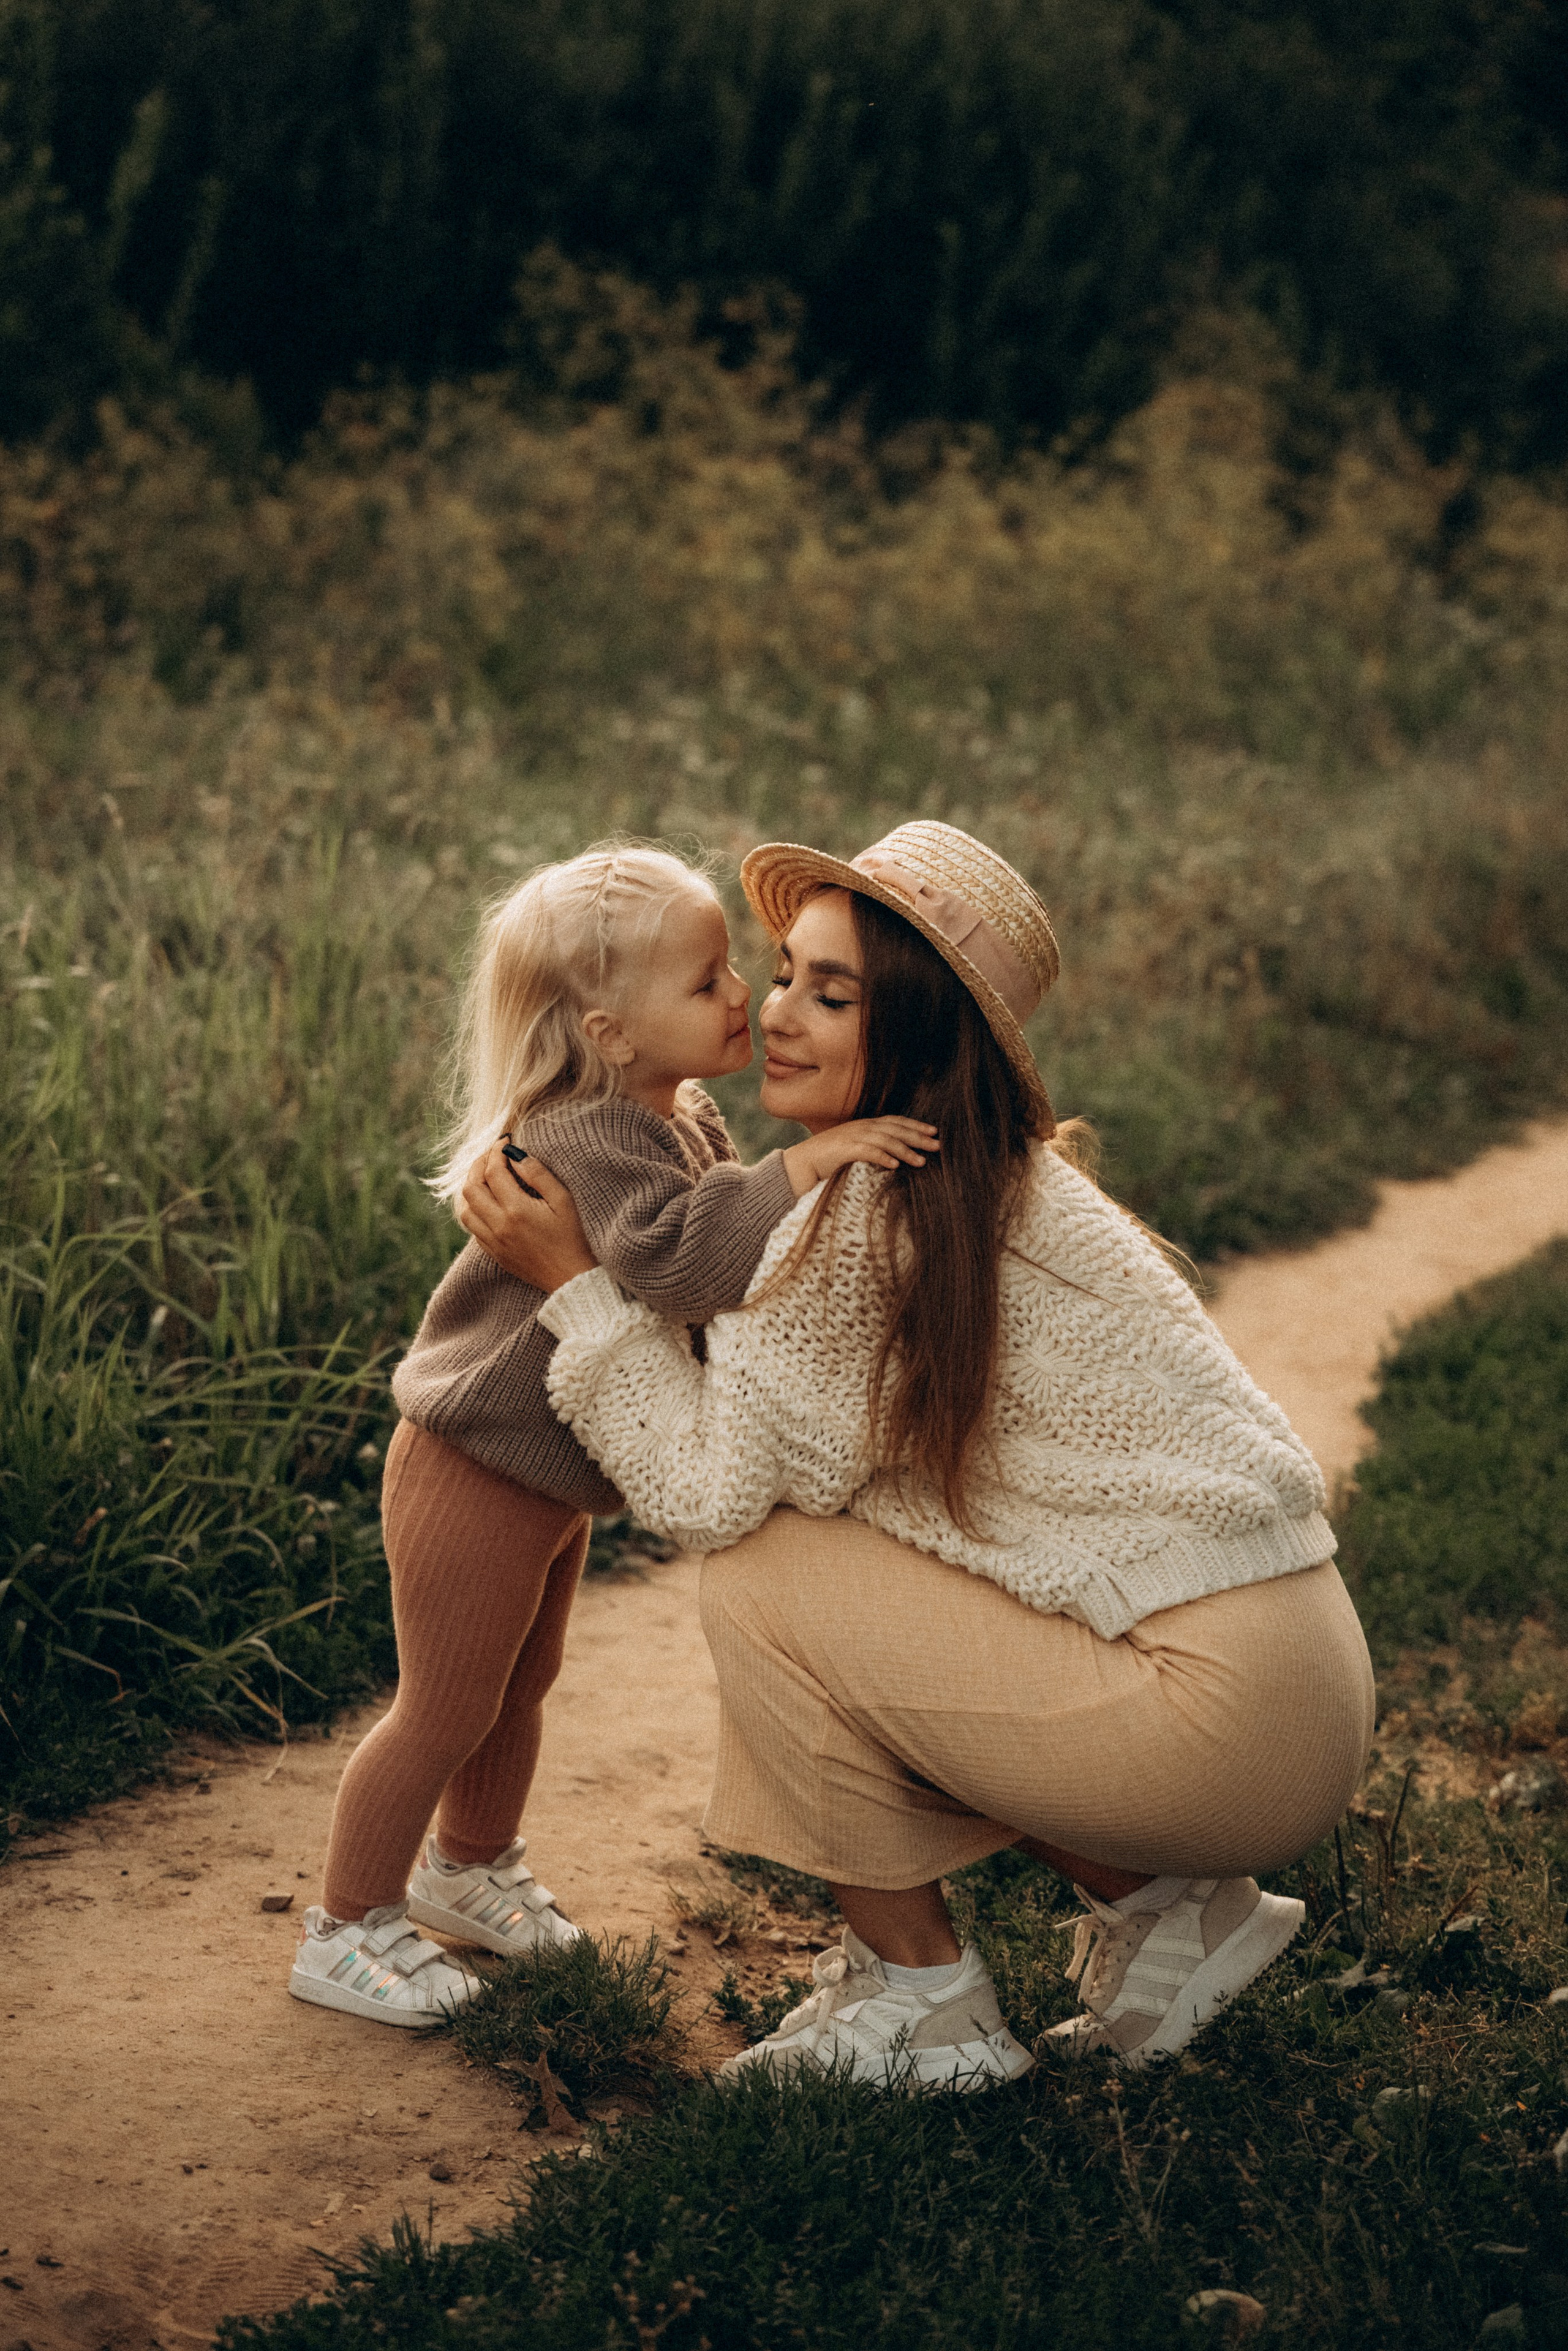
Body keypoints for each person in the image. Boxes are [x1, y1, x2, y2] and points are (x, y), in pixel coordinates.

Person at [457, 820, 1376, 2085]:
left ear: (923, 1034)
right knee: (859, 1555)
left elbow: (705, 1493)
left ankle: (921, 1999)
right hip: (1291, 1680)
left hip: (1211, 1711)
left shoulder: (862, 1215)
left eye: (832, 995)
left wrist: (574, 1288)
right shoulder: (1001, 1178)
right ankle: (1171, 1912)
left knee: (763, 1568)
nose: (777, 1012)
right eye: (781, 972)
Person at [290, 840, 938, 2027]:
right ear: (613, 1030)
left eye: (734, 969)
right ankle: (344, 1924)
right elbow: (679, 1262)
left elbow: (706, 1235)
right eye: (708, 982)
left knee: (518, 1683)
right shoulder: (589, 1132)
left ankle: (468, 1866)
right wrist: (806, 1161)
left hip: (545, 1474)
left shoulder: (670, 1109)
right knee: (442, 1703)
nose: (747, 995)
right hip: (476, 1464)